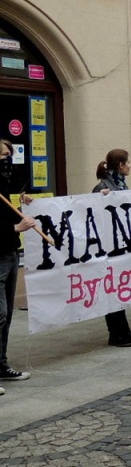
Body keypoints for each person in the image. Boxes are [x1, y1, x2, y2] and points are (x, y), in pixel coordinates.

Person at [92, 149, 131, 347]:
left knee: (120, 288)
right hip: (109, 247)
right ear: (121, 165)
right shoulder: (102, 187)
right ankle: (115, 333)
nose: (130, 165)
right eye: (128, 162)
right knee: (112, 289)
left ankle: (124, 329)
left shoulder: (121, 185)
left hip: (122, 245)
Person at [0, 139, 35, 386]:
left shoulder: (4, 185)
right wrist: (15, 227)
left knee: (7, 315)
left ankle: (1, 365)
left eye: (9, 155)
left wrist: (22, 204)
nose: (7, 159)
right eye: (3, 155)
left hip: (10, 253)